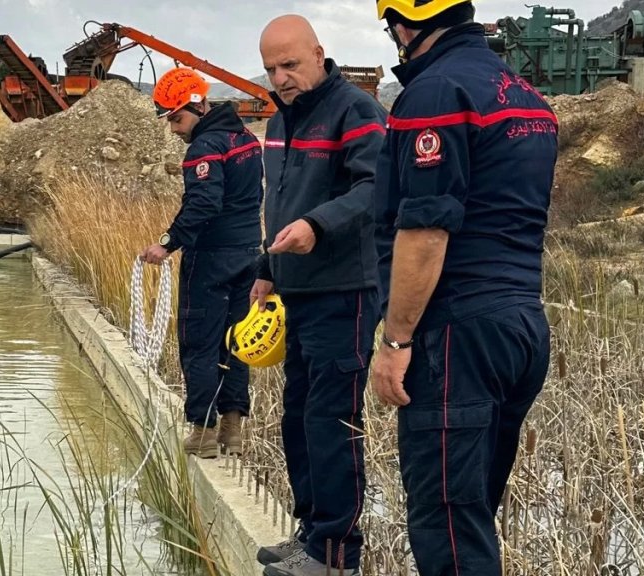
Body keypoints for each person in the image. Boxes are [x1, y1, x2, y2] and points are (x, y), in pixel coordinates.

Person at [371, 0, 558, 574]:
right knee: (472, 516)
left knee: (447, 525)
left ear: (403, 24)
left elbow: (426, 229)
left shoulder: (435, 94)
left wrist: (395, 342)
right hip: (521, 326)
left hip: (458, 336)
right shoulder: (528, 99)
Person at [251, 14, 386, 576]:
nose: (281, 77)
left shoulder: (355, 111)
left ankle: (336, 555)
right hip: (298, 290)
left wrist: (318, 225)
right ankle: (311, 533)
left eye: (290, 64)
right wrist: (266, 267)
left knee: (332, 421)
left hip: (345, 290)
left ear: (319, 54)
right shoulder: (281, 123)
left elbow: (377, 186)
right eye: (271, 69)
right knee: (299, 417)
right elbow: (280, 203)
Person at [139, 67, 264, 459]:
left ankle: (203, 432)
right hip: (248, 255)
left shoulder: (204, 147)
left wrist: (166, 244)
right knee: (236, 344)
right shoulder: (246, 140)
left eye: (177, 118)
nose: (175, 130)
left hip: (210, 259)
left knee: (200, 345)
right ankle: (233, 429)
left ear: (198, 105)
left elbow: (203, 204)